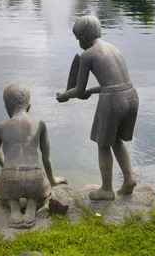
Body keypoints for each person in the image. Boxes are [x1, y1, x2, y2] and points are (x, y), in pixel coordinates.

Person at [56, 16, 139, 201]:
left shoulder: (88, 54)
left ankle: (107, 189)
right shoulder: (114, 49)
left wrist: (64, 96)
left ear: (83, 38)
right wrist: (88, 92)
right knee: (117, 140)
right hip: (131, 96)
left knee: (103, 144)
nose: (79, 43)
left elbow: (78, 90)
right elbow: (112, 84)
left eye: (78, 39)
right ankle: (129, 180)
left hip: (112, 101)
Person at [0, 84, 66, 229]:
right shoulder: (40, 124)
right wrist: (52, 180)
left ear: (6, 107)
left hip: (10, 177)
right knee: (42, 193)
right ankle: (32, 205)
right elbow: (46, 157)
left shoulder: (0, 126)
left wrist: (4, 166)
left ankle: (14, 207)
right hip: (34, 178)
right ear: (29, 106)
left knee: (3, 191)